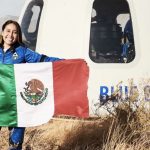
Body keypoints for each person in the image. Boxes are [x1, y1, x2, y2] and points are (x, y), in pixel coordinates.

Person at [0, 20, 62, 150]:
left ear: (18, 35)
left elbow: (42, 59)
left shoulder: (22, 51)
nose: (11, 35)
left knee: (15, 145)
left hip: (16, 105)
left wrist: (64, 63)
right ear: (2, 32)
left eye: (15, 32)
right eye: (8, 31)